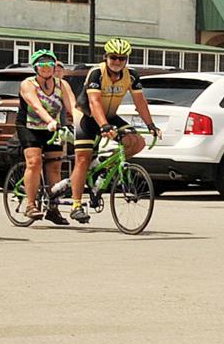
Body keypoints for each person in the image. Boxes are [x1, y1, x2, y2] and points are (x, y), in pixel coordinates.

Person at [69, 37, 161, 223]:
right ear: (106, 57)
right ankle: (76, 205)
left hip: (110, 116)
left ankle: (104, 168)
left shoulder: (131, 75)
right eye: (113, 57)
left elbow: (140, 102)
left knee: (137, 142)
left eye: (122, 58)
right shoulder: (97, 73)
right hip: (87, 116)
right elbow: (94, 102)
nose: (117, 61)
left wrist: (151, 125)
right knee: (83, 159)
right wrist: (104, 126)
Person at [17, 49, 78, 225]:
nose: (46, 67)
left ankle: (53, 208)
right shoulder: (28, 84)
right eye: (42, 64)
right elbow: (37, 106)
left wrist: (81, 125)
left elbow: (72, 107)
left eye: (50, 64)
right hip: (30, 126)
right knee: (34, 162)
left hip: (53, 127)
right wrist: (50, 120)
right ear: (35, 67)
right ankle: (30, 205)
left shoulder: (62, 85)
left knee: (55, 166)